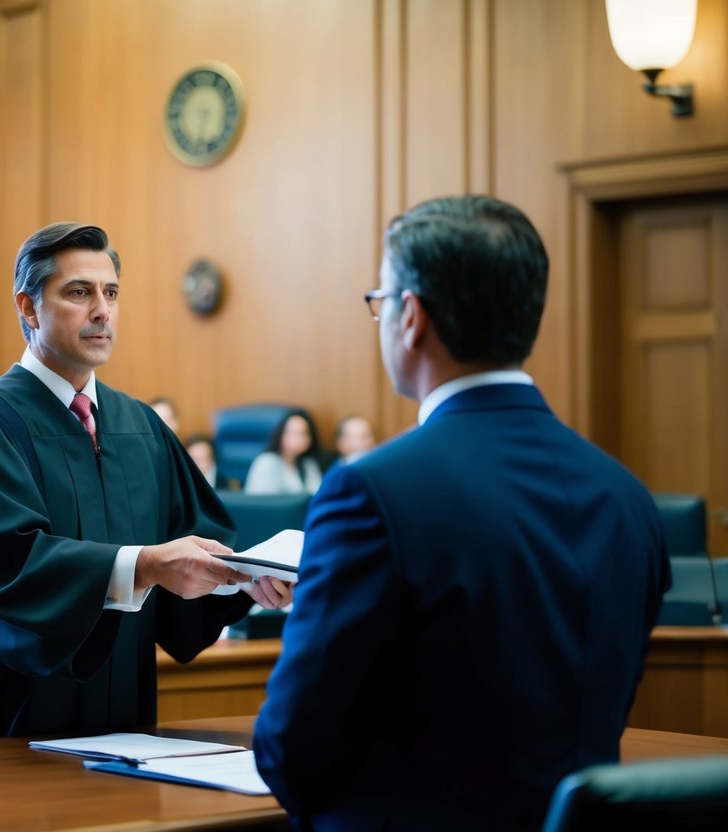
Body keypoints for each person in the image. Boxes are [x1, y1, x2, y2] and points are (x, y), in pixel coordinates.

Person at [253, 195, 670, 830]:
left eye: (380, 301)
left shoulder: (370, 492)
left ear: (411, 317)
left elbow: (291, 746)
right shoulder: (627, 497)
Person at [0, 222, 291, 740]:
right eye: (79, 292)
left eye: (111, 293)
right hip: (13, 729)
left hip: (129, 732)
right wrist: (141, 565)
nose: (102, 310)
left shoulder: (140, 427)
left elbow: (193, 556)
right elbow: (7, 565)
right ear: (28, 309)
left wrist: (248, 581)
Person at [243, 409, 331, 495]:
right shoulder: (267, 462)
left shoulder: (308, 464)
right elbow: (262, 503)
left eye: (304, 433)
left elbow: (318, 495)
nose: (298, 438)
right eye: (292, 432)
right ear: (280, 434)